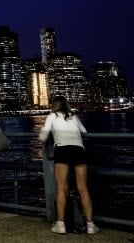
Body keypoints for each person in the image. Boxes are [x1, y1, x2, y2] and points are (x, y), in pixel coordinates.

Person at [38, 96, 98, 235]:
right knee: (83, 188)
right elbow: (84, 132)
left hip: (62, 150)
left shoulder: (52, 116)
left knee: (61, 188)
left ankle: (60, 224)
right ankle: (90, 225)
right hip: (78, 150)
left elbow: (43, 136)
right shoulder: (73, 116)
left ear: (55, 105)